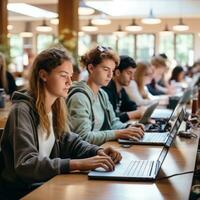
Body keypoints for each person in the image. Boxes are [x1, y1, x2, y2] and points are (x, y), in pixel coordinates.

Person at [0, 47, 122, 199]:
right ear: (43, 75)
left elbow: (70, 141)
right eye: (63, 75)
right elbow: (26, 164)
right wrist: (77, 164)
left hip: (43, 184)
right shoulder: (22, 110)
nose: (70, 82)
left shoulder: (56, 107)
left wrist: (97, 151)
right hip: (22, 191)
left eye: (71, 76)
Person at [67, 46, 144, 146]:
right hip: (82, 157)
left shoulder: (102, 94)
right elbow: (83, 137)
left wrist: (128, 127)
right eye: (105, 69)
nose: (110, 75)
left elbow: (113, 122)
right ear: (91, 68)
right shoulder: (79, 98)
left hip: (97, 150)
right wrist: (119, 133)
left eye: (112, 70)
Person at [102, 55, 145, 123]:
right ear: (117, 72)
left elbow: (130, 106)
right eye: (129, 73)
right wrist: (134, 114)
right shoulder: (106, 91)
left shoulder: (121, 90)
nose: (132, 78)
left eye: (133, 74)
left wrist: (140, 110)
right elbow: (110, 119)